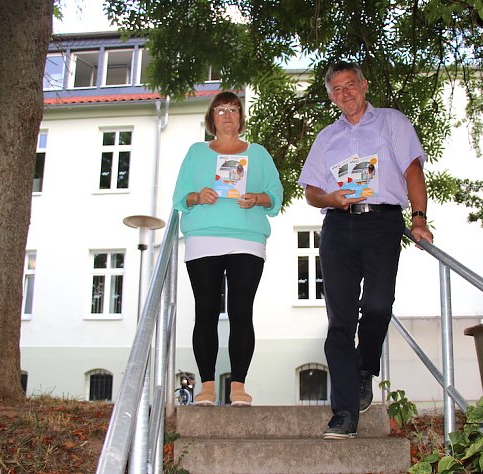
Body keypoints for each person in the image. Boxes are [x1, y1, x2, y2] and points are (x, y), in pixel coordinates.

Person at [298, 61, 434, 438]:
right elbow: (310, 191)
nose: (344, 93)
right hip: (338, 224)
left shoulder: (392, 122)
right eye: (336, 89)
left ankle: (364, 368)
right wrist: (329, 196)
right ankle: (344, 412)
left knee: (377, 303)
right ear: (330, 97)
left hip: (383, 221)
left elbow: (412, 172)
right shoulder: (326, 137)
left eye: (349, 85)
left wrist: (419, 219)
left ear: (364, 85)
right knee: (339, 319)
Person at [172, 91, 283, 406]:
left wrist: (257, 198)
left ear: (241, 117)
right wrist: (198, 195)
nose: (227, 115)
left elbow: (276, 194)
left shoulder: (258, 154)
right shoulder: (196, 153)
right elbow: (180, 196)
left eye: (233, 109)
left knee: (240, 311)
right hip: (203, 237)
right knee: (205, 311)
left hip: (247, 238)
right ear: (211, 118)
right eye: (220, 110)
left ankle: (238, 386)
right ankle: (206, 386)